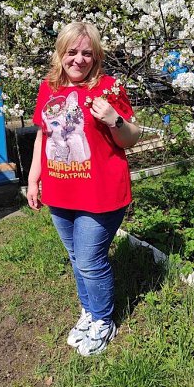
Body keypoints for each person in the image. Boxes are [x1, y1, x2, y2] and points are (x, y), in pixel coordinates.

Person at [27, 21, 141, 356]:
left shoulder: (108, 88)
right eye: (72, 52)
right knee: (77, 257)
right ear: (60, 53)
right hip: (60, 192)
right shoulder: (49, 87)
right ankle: (89, 311)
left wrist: (113, 119)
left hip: (100, 193)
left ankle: (103, 320)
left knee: (90, 260)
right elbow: (42, 135)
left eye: (87, 53)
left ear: (96, 56)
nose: (79, 59)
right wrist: (33, 178)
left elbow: (132, 138)